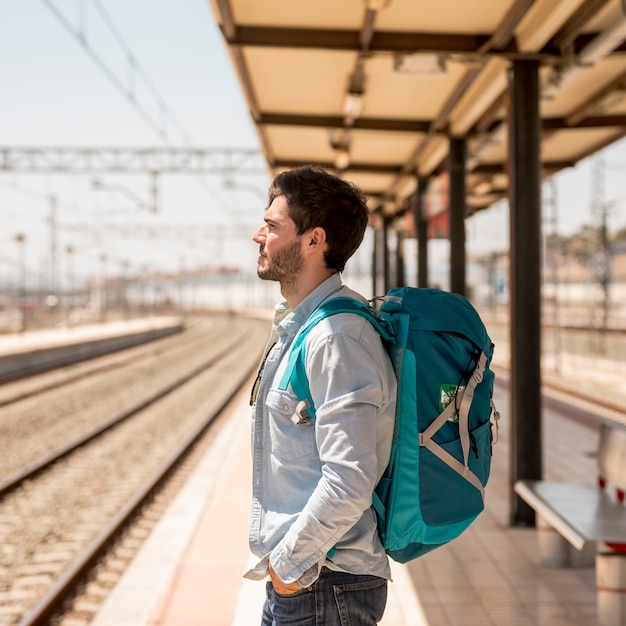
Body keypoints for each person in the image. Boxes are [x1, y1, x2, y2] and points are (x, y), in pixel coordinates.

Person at [246, 165, 397, 626]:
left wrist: (287, 566)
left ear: (314, 240)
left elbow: (349, 476)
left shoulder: (336, 336)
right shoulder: (307, 328)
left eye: (272, 226)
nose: (258, 236)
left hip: (322, 585)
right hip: (311, 584)